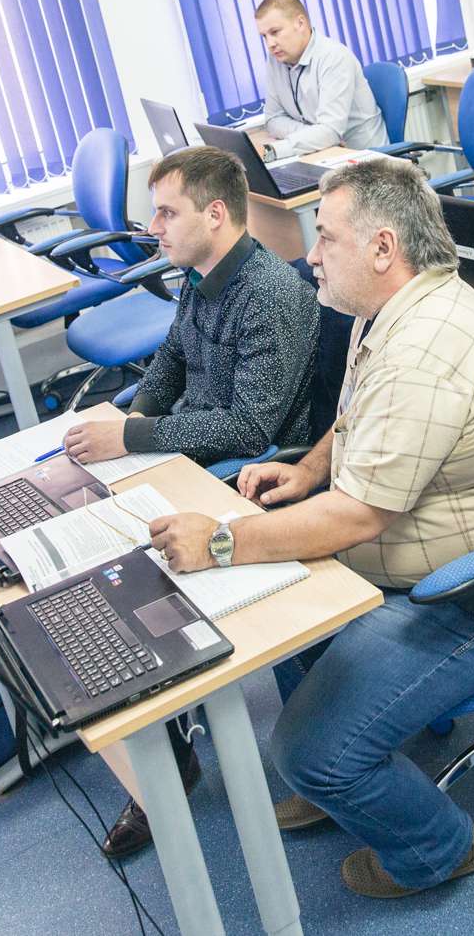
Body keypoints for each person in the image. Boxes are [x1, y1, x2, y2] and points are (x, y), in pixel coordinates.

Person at [148, 158, 474, 900]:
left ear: (382, 247)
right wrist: (310, 469)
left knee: (306, 751)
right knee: (283, 610)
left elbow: (358, 516)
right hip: (415, 558)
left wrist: (220, 540)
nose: (310, 255)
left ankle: (440, 848)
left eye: (326, 237)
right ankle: (350, 775)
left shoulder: (424, 349)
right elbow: (354, 419)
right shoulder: (388, 310)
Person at [64, 145, 321, 860]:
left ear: (215, 214)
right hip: (191, 452)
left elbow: (252, 427)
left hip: (250, 471)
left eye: (166, 213)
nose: (153, 227)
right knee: (90, 536)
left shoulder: (270, 293)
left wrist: (132, 437)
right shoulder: (198, 276)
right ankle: (161, 737)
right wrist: (130, 429)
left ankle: (170, 752)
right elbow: (170, 364)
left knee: (132, 572)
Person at [253, 0, 387, 156]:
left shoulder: (334, 57)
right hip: (322, 153)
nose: (270, 44)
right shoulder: (275, 60)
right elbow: (273, 119)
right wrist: (316, 135)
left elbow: (330, 131)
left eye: (275, 32)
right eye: (264, 36)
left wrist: (272, 151)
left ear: (300, 23)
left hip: (366, 159)